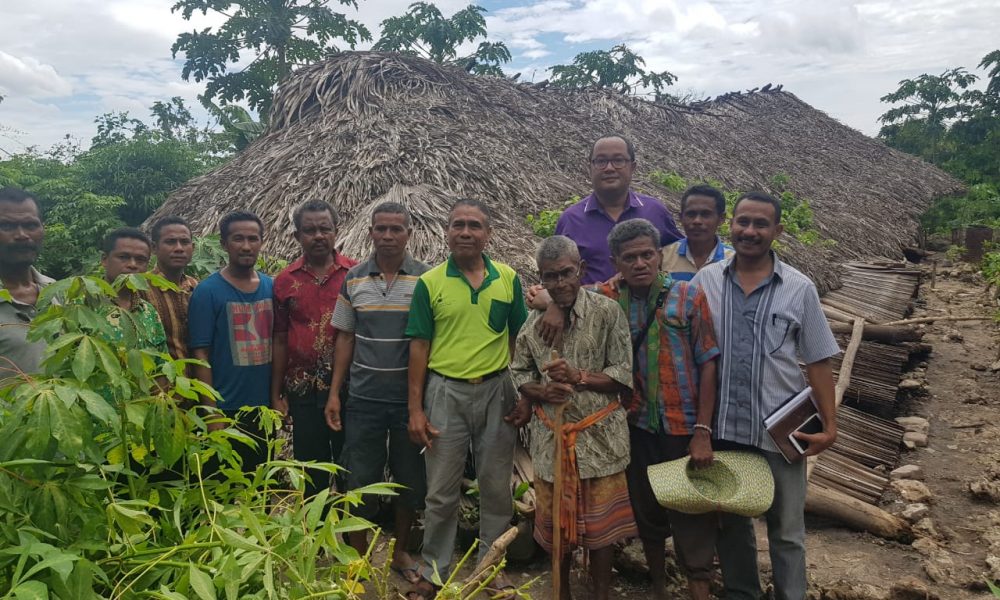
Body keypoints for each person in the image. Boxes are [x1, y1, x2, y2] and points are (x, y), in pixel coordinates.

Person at [691, 192, 840, 600]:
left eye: (760, 224)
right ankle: (743, 594)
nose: (750, 232)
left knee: (787, 529)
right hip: (723, 427)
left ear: (777, 230)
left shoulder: (799, 288)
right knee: (733, 524)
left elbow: (819, 360)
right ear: (731, 225)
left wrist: (830, 426)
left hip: (779, 431)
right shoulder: (706, 281)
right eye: (743, 222)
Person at [405, 198, 529, 600]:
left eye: (474, 225)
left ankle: (490, 567)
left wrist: (519, 389)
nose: (465, 232)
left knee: (496, 486)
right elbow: (419, 347)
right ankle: (433, 571)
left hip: (497, 389)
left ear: (488, 233)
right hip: (445, 390)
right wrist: (416, 408)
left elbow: (519, 338)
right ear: (446, 231)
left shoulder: (508, 279)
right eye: (458, 224)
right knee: (440, 489)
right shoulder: (431, 282)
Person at [599, 219, 720, 600]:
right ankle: (659, 588)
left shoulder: (687, 296)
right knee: (647, 513)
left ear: (659, 255)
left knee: (692, 515)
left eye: (646, 254)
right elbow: (565, 293)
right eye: (629, 257)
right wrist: (547, 301)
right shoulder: (607, 298)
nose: (639, 263)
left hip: (682, 426)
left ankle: (698, 588)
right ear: (615, 260)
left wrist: (703, 431)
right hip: (635, 426)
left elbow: (708, 362)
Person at [510, 235, 635, 600]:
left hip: (601, 441)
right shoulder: (533, 326)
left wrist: (579, 377)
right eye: (551, 276)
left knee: (602, 533)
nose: (560, 283)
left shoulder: (607, 312)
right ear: (541, 278)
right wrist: (542, 392)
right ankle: (561, 592)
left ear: (580, 270)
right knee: (558, 532)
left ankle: (600, 594)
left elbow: (623, 374)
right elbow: (518, 372)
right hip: (552, 443)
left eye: (567, 273)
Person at [324, 201, 429, 584]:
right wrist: (336, 393)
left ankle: (401, 552)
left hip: (409, 402)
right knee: (359, 478)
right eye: (380, 229)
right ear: (370, 232)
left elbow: (429, 341)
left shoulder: (426, 280)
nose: (387, 236)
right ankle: (357, 555)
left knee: (408, 479)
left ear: (409, 233)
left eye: (395, 229)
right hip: (364, 399)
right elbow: (345, 337)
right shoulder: (353, 279)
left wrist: (420, 404)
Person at [270, 200, 356, 498]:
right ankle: (314, 541)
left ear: (336, 231)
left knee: (350, 467)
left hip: (349, 388)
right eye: (309, 230)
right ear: (297, 236)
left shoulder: (355, 275)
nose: (318, 236)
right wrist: (276, 391)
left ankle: (352, 541)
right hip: (302, 389)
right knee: (311, 469)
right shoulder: (284, 281)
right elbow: (279, 338)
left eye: (324, 229)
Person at [188, 211, 274, 471]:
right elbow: (200, 353)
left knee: (259, 485)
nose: (246, 246)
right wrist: (211, 410)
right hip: (225, 408)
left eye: (253, 238)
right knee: (222, 488)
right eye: (238, 239)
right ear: (224, 244)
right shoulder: (207, 292)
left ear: (261, 242)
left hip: (263, 409)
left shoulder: (272, 287)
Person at [555, 135, 681, 284]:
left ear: (632, 167)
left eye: (618, 160)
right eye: (601, 161)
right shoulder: (570, 220)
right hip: (591, 306)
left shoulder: (656, 212)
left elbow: (681, 256)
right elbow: (555, 274)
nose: (609, 168)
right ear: (590, 167)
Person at [0, 186, 53, 382]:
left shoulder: (58, 292)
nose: (22, 235)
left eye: (31, 225)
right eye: (6, 226)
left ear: (42, 229)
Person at [98, 227, 168, 354]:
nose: (132, 265)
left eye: (141, 260)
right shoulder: (83, 304)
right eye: (123, 257)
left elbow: (161, 364)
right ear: (104, 260)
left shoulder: (149, 312)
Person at [142, 216, 198, 363]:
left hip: (198, 382)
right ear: (154, 248)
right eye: (170, 242)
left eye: (184, 242)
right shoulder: (140, 288)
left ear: (193, 247)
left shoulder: (197, 287)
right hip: (159, 382)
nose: (179, 248)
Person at [661, 185, 734, 281]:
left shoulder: (733, 261)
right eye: (691, 214)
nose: (697, 221)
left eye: (705, 214)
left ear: (721, 219)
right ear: (681, 218)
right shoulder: (664, 257)